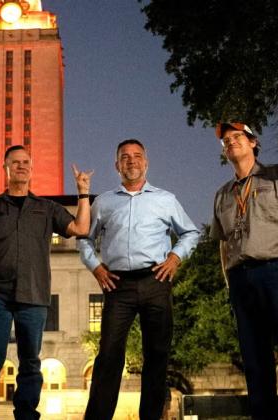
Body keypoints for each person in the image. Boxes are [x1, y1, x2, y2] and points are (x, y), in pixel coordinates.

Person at [0, 145, 93, 420]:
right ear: (6, 167)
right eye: (15, 162)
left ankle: (26, 414)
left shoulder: (47, 208)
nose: (21, 166)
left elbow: (81, 229)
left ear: (31, 168)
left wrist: (83, 192)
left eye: (26, 162)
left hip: (34, 296)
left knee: (31, 362)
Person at [78, 139, 200, 420]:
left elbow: (190, 233)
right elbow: (84, 238)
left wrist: (175, 257)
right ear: (117, 165)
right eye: (125, 157)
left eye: (137, 156)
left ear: (146, 163)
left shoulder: (165, 199)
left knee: (157, 357)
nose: (131, 161)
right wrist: (96, 267)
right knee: (108, 356)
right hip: (117, 285)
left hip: (155, 280)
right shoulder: (103, 202)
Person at [210, 122, 278, 419]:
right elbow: (223, 243)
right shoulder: (222, 194)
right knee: (255, 359)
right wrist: (229, 283)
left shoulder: (277, 175)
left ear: (253, 142)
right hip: (241, 279)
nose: (231, 142)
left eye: (237, 137)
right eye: (226, 140)